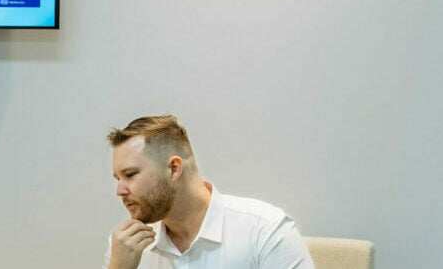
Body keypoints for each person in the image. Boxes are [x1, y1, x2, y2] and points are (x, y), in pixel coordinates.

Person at [103, 115, 314, 269]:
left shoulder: (264, 230)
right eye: (117, 178)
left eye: (130, 174)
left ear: (174, 169)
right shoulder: (124, 248)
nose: (120, 191)